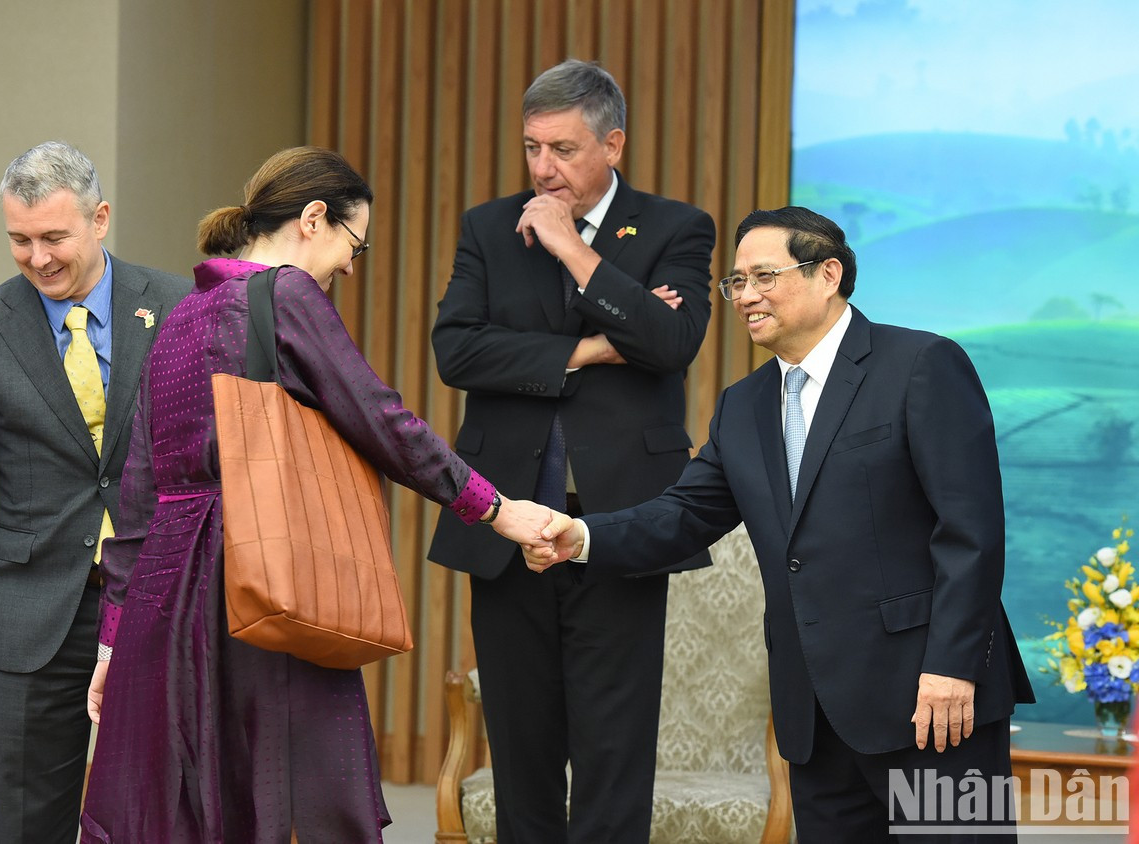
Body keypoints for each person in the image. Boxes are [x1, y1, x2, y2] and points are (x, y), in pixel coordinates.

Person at [78, 146, 553, 844]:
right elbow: (381, 418)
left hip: (164, 600)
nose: (349, 268)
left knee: (185, 808)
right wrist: (494, 506)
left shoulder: (180, 315)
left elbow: (138, 495)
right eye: (353, 245)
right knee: (296, 800)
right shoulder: (285, 294)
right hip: (264, 575)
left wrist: (113, 642)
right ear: (312, 218)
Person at [529, 206, 1036, 842]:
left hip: (929, 701)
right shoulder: (743, 406)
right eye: (736, 282)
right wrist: (580, 536)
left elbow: (971, 533)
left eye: (764, 276)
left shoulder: (921, 365)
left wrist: (952, 668)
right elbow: (683, 515)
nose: (746, 296)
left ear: (829, 274)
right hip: (814, 714)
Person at [427, 59, 715, 843]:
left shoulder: (674, 229)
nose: (543, 170)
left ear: (612, 144)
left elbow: (670, 340)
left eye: (562, 149)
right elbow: (456, 351)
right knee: (522, 745)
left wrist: (574, 251)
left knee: (613, 749)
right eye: (531, 149)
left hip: (619, 522)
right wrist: (590, 348)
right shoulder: (489, 226)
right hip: (509, 521)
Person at [0, 141, 190, 843]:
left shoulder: (175, 305)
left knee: (162, 819)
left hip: (157, 605)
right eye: (19, 240)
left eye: (54, 237)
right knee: (26, 827)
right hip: (28, 613)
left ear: (99, 218)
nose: (38, 258)